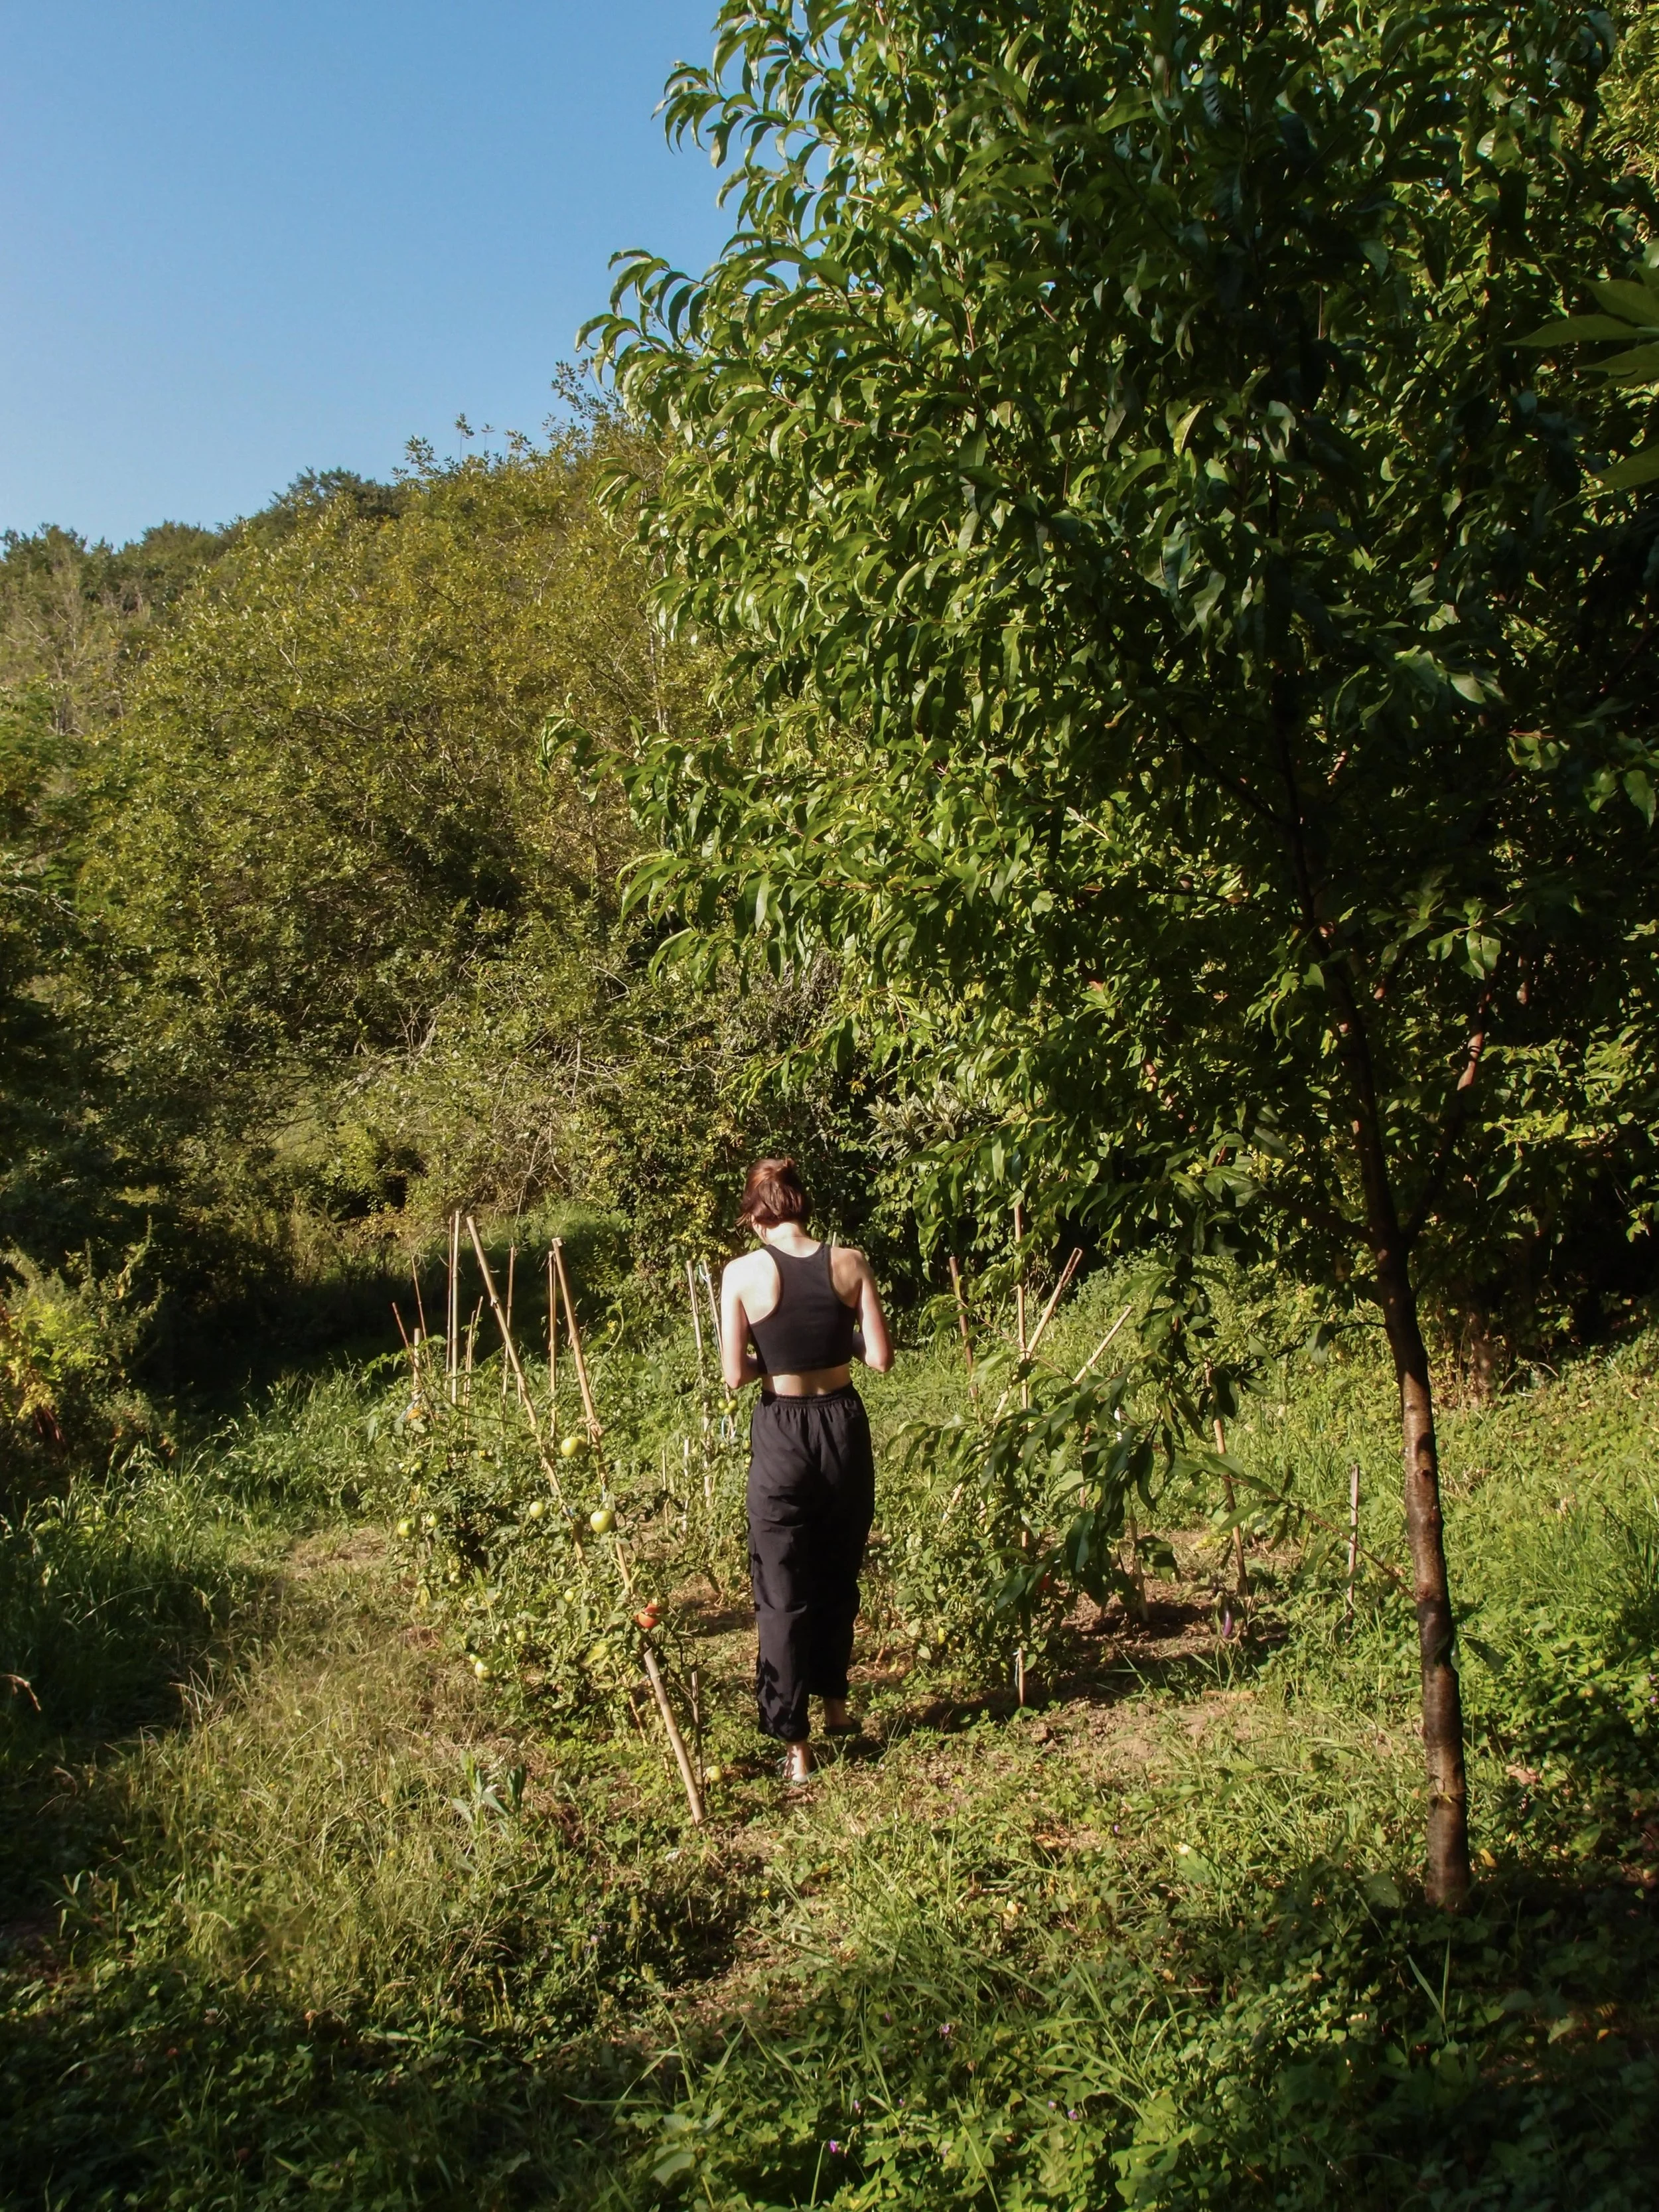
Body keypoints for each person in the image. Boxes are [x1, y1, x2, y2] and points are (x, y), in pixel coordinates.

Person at [719, 1158, 893, 1783]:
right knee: (837, 1570)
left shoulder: (741, 1272)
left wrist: (778, 1347)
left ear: (757, 1214)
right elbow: (879, 1357)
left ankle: (796, 1747)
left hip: (783, 1429)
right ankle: (837, 1707)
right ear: (802, 1204)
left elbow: (735, 1374)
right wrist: (829, 1333)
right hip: (844, 1425)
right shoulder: (850, 1261)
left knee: (782, 1587)